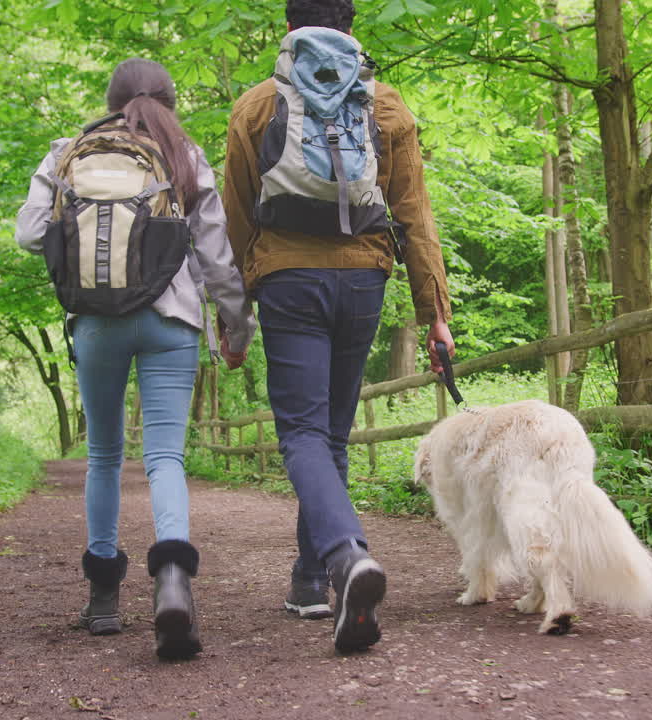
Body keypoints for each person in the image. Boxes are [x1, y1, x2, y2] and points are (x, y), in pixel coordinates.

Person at [222, 0, 454, 652]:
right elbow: (415, 218)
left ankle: (348, 558)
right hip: (363, 282)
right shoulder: (386, 106)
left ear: (289, 29)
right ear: (351, 30)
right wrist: (434, 315)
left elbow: (235, 220)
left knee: (300, 434)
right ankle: (309, 582)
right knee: (331, 434)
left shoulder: (258, 104)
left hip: (287, 281)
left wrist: (231, 313)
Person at [15, 58, 255, 660]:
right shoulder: (184, 157)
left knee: (103, 455)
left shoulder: (67, 153)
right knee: (165, 456)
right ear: (169, 100)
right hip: (171, 319)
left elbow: (27, 233)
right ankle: (172, 582)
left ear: (112, 99)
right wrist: (237, 323)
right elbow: (217, 256)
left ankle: (102, 599)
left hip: (96, 321)